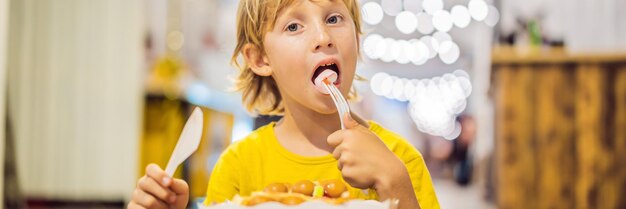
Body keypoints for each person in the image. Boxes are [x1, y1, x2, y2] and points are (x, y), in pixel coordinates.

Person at [127, 0, 440, 208]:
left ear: (357, 40)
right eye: (293, 26)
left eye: (334, 18)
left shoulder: (399, 159)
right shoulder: (238, 165)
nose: (323, 36)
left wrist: (394, 183)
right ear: (260, 58)